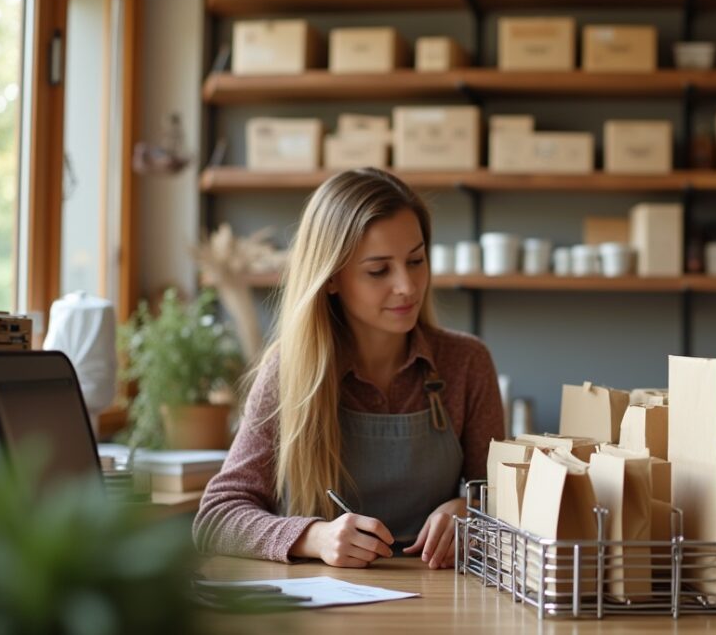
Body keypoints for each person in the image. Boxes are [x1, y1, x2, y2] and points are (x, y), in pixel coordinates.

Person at [194, 168, 505, 569]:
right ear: (331, 279)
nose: (407, 286)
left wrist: (468, 509)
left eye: (415, 261)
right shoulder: (287, 372)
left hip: (443, 599)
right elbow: (216, 517)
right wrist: (313, 537)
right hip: (321, 607)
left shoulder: (466, 362)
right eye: (379, 270)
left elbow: (505, 500)